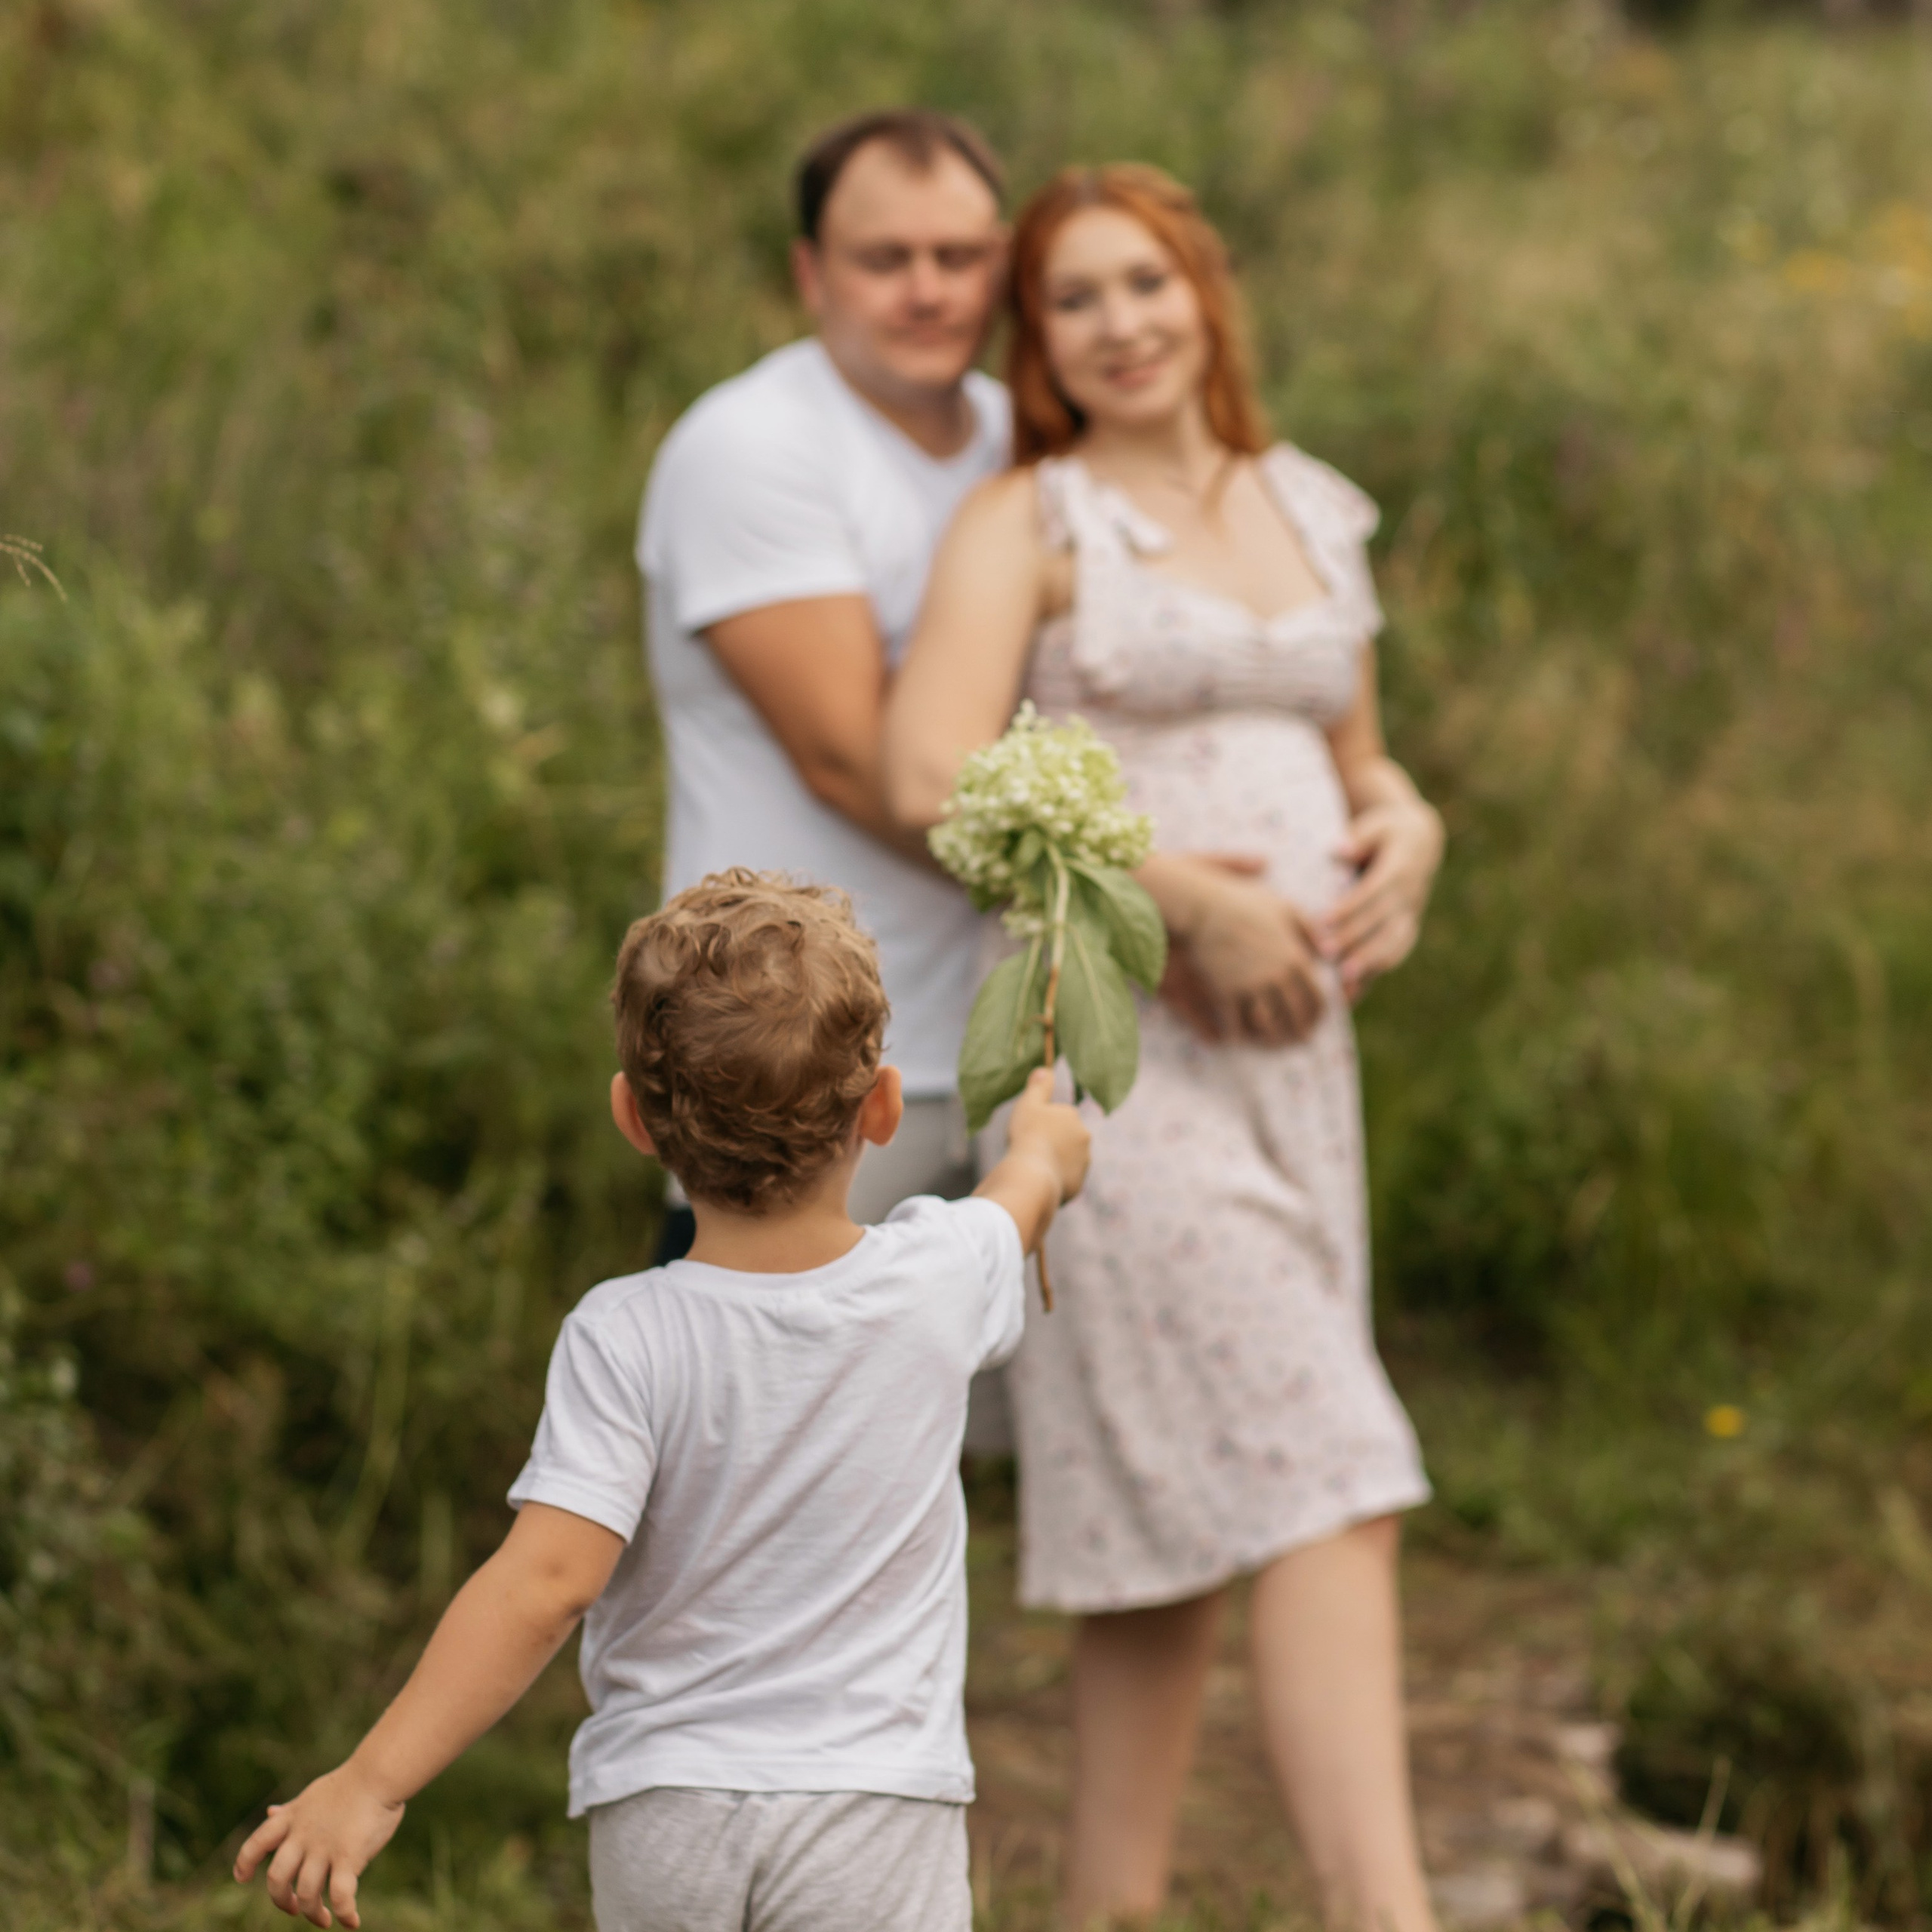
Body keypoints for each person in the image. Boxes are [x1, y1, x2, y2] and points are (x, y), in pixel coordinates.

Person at [884, 165, 1446, 1932]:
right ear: (1034, 340)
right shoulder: (1028, 521)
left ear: (1201, 290)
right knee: (1330, 1472)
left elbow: (1355, 756)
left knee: (1159, 1552)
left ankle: (1100, 1907)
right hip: (1117, 1062)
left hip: (1298, 1077)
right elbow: (924, 774)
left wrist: (1406, 823)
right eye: (1073, 298)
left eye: (1145, 281)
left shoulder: (1307, 505)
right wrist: (1179, 897)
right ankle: (1392, 1914)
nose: (1120, 322)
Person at [232, 870, 1092, 1932]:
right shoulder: (936, 1276)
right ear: (881, 1107)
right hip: (873, 1803)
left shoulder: (623, 1334)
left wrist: (372, 1781)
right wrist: (1044, 1152)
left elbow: (544, 1582)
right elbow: (1016, 1204)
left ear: (634, 1119)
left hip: (668, 1809)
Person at [635, 109, 1010, 1264]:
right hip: (798, 1061)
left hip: (1011, 1034)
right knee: (772, 1427)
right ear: (811, 272)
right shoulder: (752, 445)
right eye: (884, 258)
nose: (927, 290)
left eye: (959, 257)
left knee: (999, 1434)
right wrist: (1162, 907)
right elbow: (858, 764)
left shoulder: (1019, 438)